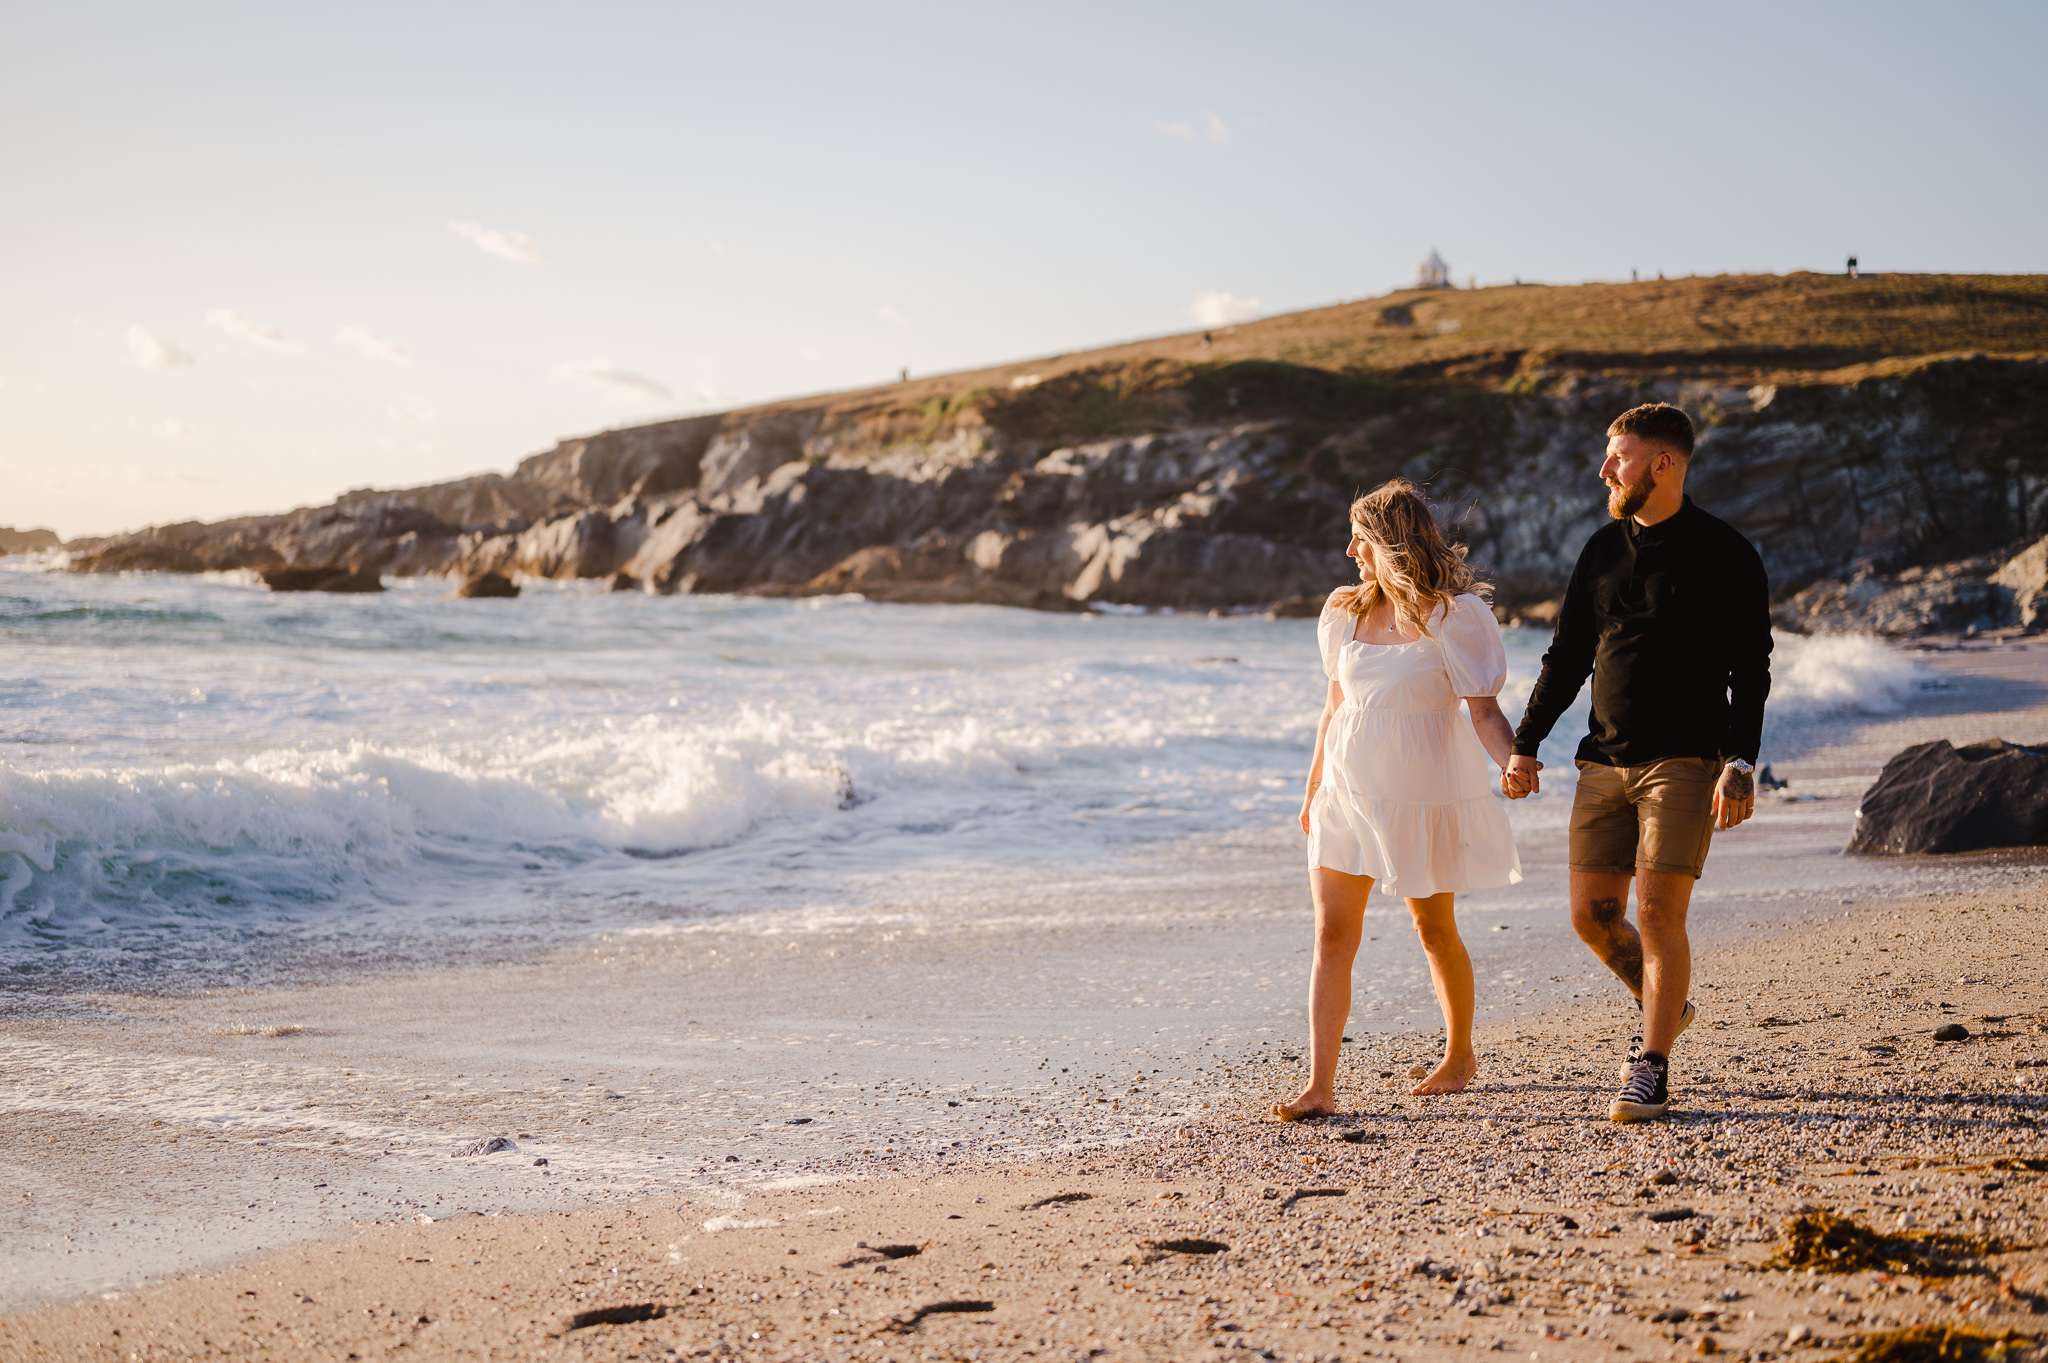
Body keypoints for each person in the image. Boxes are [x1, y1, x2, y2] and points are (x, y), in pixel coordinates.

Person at [1502, 403, 1770, 1123]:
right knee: (1593, 917)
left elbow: (1752, 665)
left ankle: (1651, 1064)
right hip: (1603, 762)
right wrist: (1526, 743)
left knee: (1656, 912)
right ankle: (1666, 1005)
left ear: (1664, 463)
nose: (1604, 470)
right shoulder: (1600, 550)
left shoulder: (1727, 552)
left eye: (1617, 457)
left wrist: (1741, 759)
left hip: (1686, 761)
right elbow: (1566, 658)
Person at [1273, 479, 1522, 1120]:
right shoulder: (1344, 611)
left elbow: (1484, 710)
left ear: (1387, 543)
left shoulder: (1455, 615)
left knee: (1434, 930)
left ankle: (1460, 1054)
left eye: (1359, 536)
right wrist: (1312, 791)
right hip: (1346, 793)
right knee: (1332, 934)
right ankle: (1320, 1084)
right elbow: (1334, 708)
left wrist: (1513, 760)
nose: (1349, 549)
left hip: (1421, 795)